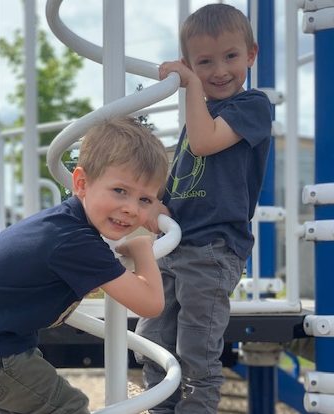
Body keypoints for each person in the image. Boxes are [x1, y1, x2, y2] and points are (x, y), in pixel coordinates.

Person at [0, 116, 170, 414]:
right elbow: (151, 304)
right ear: (81, 183)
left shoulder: (65, 225)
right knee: (67, 406)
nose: (131, 209)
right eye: (120, 191)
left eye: (145, 200)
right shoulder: (76, 242)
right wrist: (142, 246)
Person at [135, 3, 272, 414]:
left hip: (214, 248)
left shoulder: (253, 106)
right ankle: (161, 408)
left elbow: (204, 144)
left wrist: (191, 85)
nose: (219, 71)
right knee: (152, 338)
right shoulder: (200, 115)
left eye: (231, 57)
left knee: (197, 347)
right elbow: (185, 168)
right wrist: (157, 202)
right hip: (176, 245)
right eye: (204, 62)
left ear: (251, 54)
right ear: (191, 63)